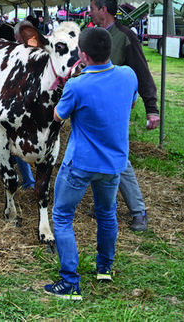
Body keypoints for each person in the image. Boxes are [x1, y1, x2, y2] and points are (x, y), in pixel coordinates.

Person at [44, 27, 138, 300]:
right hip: (113, 164)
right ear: (109, 50)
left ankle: (70, 281)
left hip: (80, 164)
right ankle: (104, 268)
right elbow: (130, 104)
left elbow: (58, 116)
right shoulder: (127, 75)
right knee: (107, 213)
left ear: (82, 55)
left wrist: (72, 81)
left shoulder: (77, 84)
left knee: (62, 216)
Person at [89, 0, 159, 232]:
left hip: (115, 110)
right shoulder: (95, 35)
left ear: (102, 9)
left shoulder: (125, 36)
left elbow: (142, 71)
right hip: (94, 109)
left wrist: (152, 108)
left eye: (92, 8)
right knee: (99, 157)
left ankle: (138, 211)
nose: (89, 12)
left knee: (119, 159)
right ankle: (102, 207)